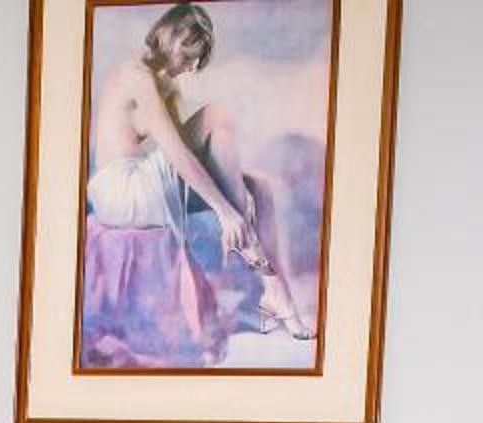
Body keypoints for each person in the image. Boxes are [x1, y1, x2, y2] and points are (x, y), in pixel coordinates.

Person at [81, 2, 312, 365]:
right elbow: (177, 153)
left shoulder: (165, 87)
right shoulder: (136, 76)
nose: (192, 67)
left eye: (198, 61)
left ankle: (272, 289)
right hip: (121, 191)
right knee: (216, 116)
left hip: (139, 187)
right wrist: (226, 211)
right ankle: (268, 280)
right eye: (189, 57)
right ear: (171, 39)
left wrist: (239, 190)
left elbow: (202, 155)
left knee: (261, 187)